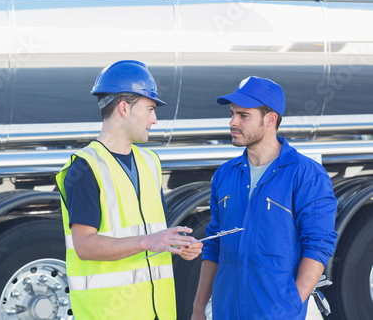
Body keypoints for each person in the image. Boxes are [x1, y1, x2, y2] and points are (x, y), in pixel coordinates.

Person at [56, 60, 203, 320]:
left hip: (158, 311)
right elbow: (85, 246)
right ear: (124, 107)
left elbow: (152, 233)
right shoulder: (85, 167)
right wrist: (149, 241)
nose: (154, 120)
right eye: (149, 109)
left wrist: (177, 245)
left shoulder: (150, 163)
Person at [191, 76, 338, 320]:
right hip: (226, 311)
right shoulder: (225, 174)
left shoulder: (305, 174)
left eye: (243, 115)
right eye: (232, 114)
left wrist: (291, 306)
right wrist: (198, 309)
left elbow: (318, 245)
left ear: (270, 119)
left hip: (276, 312)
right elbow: (214, 246)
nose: (232, 122)